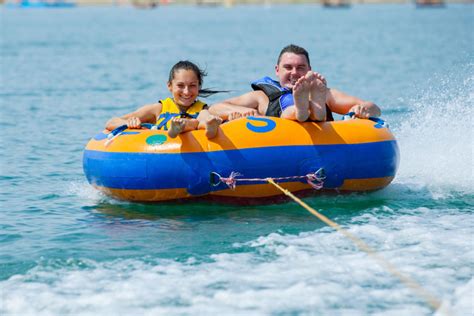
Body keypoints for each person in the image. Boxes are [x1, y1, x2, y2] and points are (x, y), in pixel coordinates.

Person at [209, 44, 381, 122]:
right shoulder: (262, 97)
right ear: (277, 70)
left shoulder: (324, 92)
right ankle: (304, 109)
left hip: (323, 143)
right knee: (291, 112)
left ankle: (311, 109)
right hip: (282, 141)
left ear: (309, 69)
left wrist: (362, 109)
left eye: (300, 67)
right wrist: (244, 111)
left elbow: (375, 108)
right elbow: (215, 108)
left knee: (298, 110)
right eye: (288, 67)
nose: (294, 73)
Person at [105, 61, 223, 139]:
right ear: (169, 86)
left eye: (192, 86)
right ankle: (178, 127)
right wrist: (129, 123)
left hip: (198, 127)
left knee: (204, 116)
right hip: (166, 146)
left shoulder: (204, 109)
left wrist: (233, 116)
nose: (186, 92)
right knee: (195, 120)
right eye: (180, 86)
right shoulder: (158, 109)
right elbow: (111, 122)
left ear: (199, 86)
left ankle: (208, 127)